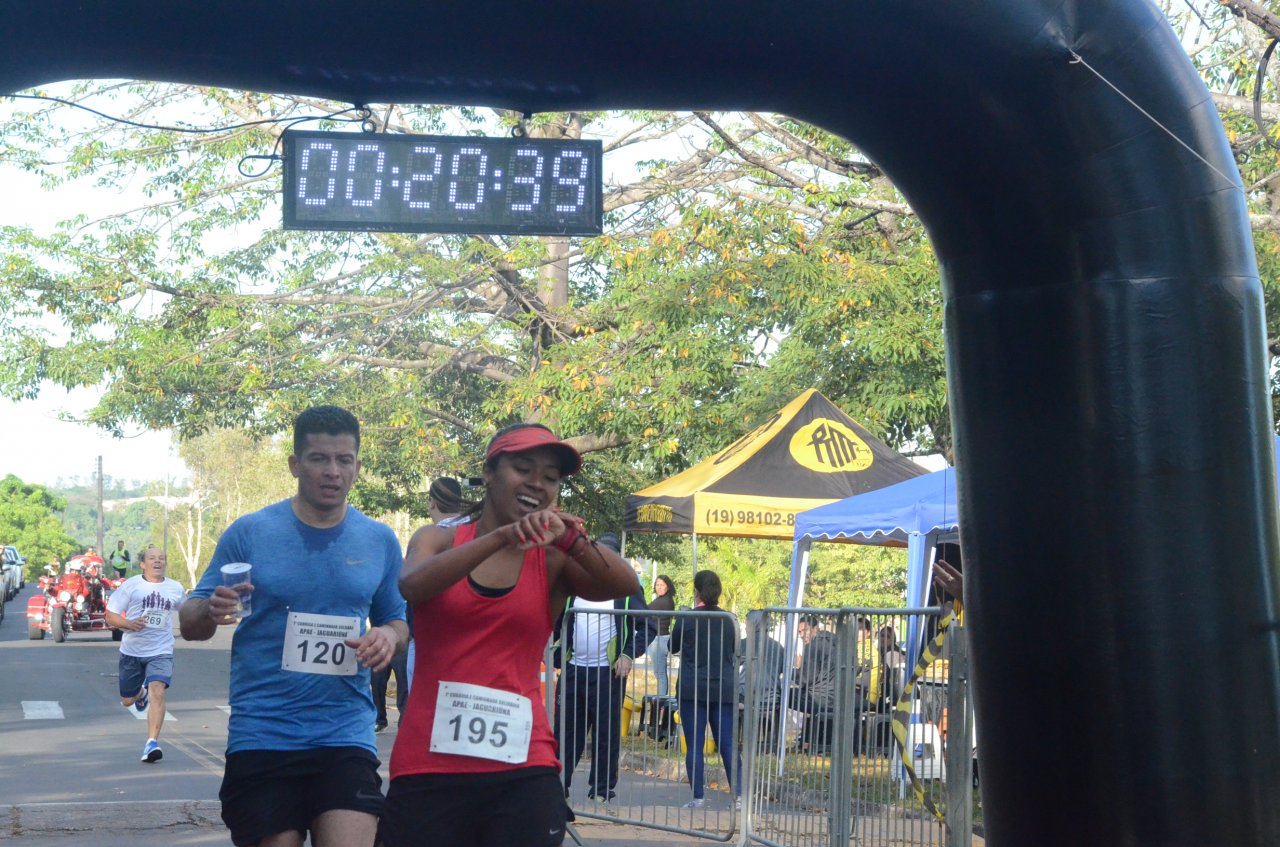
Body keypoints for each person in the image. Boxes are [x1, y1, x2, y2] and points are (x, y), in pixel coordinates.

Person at [382, 422, 641, 847]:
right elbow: (412, 585)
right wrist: (500, 537)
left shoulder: (553, 560)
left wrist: (574, 540)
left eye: (551, 478)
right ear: (489, 473)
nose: (537, 484)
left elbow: (625, 585)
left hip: (523, 765)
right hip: (429, 763)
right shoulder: (437, 540)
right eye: (523, 468)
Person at [179, 405, 408, 847]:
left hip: (344, 732)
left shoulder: (378, 539)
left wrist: (388, 636)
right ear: (294, 464)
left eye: (344, 460)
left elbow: (398, 622)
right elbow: (190, 623)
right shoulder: (251, 532)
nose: (332, 472)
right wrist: (209, 610)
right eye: (319, 459)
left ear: (358, 466)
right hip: (264, 732)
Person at [554, 532, 651, 802]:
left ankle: (601, 789)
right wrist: (553, 650)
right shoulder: (575, 585)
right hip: (574, 670)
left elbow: (647, 626)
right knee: (565, 733)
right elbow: (556, 621)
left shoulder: (627, 589)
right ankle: (557, 787)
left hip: (607, 673)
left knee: (605, 733)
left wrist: (629, 655)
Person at [104, 545, 187, 763]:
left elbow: (188, 612)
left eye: (161, 558)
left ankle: (152, 743)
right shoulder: (131, 586)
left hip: (161, 650)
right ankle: (140, 695)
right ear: (143, 564)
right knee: (127, 700)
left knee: (158, 690)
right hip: (132, 651)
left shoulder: (175, 588)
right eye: (152, 558)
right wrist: (130, 624)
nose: (157, 561)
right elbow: (110, 616)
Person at [669, 569, 741, 810]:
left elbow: (672, 646)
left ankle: (698, 796)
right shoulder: (730, 619)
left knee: (695, 744)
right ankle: (737, 797)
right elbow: (733, 649)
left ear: (696, 591)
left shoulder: (687, 618)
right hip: (723, 688)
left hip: (693, 689)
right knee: (728, 744)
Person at [402, 476, 472, 695]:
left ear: (432, 502)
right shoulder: (480, 534)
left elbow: (408, 585)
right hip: (471, 641)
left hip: (429, 640)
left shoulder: (428, 538)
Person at [790, 614, 838, 751]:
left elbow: (806, 679)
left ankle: (803, 738)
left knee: (784, 694)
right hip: (836, 694)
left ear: (815, 629)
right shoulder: (835, 642)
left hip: (823, 697)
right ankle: (805, 737)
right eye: (799, 632)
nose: (801, 635)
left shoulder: (813, 646)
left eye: (804, 630)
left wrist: (793, 671)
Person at [646, 574, 676, 699]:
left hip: (658, 639)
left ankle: (661, 700)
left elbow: (644, 610)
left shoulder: (661, 602)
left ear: (668, 586)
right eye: (657, 584)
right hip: (662, 638)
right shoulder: (668, 600)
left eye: (662, 585)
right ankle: (662, 698)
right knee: (660, 672)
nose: (659, 587)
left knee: (660, 673)